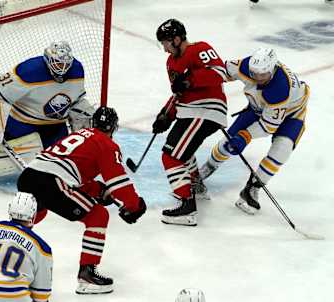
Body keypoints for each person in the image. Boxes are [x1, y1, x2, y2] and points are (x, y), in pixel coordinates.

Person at [17, 106, 147, 295]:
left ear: (94, 123)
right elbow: (119, 182)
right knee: (98, 216)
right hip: (51, 181)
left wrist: (98, 190)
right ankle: (87, 275)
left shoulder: (81, 135)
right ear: (113, 128)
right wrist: (134, 205)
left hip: (29, 176)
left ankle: (3, 256)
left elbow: (72, 174)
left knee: (31, 217)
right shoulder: (107, 144)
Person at [0, 41, 96, 182]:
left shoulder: (77, 70)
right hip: (23, 123)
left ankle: (85, 149)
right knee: (33, 153)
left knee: (63, 156)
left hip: (55, 125)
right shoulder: (29, 71)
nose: (62, 68)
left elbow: (76, 99)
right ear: (48, 59)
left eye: (65, 64)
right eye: (58, 62)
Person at [199, 47, 310, 215]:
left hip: (292, 114)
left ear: (272, 69)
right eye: (254, 74)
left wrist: (245, 137)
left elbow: (268, 126)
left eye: (263, 75)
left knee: (282, 149)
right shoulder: (246, 66)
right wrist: (197, 81)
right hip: (258, 107)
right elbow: (222, 71)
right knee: (229, 142)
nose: (258, 78)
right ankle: (207, 168)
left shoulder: (280, 89)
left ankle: (252, 188)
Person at [152, 19, 228, 226]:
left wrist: (190, 79)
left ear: (177, 39)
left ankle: (187, 207)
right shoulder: (171, 63)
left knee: (171, 156)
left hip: (205, 110)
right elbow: (179, 94)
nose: (165, 49)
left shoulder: (200, 49)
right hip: (190, 111)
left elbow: (220, 73)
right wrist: (165, 115)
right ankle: (196, 185)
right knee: (182, 152)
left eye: (166, 43)